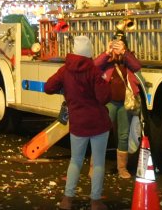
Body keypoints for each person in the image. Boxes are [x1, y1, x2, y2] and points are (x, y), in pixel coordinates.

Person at [45, 35, 110, 210]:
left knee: (75, 160)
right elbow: (103, 98)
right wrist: (105, 83)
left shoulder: (65, 70)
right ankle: (95, 201)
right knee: (98, 163)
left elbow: (48, 87)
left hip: (78, 123)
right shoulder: (95, 71)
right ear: (89, 52)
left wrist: (64, 88)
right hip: (98, 122)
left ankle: (68, 199)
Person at [94, 37, 142, 179]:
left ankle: (122, 168)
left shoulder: (128, 59)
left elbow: (137, 66)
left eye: (119, 45)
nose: (116, 48)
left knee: (124, 135)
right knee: (100, 133)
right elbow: (94, 66)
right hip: (109, 103)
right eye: (114, 45)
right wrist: (107, 53)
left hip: (125, 103)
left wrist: (125, 52)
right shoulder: (107, 61)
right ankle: (95, 167)